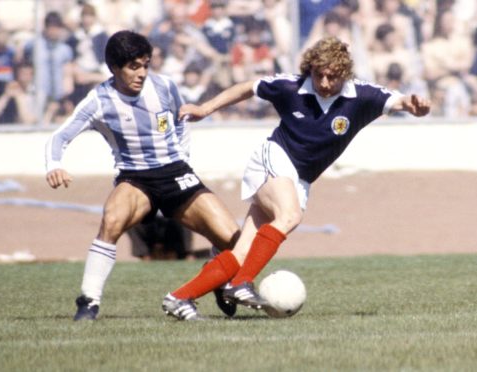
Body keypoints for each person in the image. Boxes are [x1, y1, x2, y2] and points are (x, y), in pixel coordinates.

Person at [163, 36, 430, 320]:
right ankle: (241, 284)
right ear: (310, 70)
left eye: (333, 76)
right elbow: (248, 87)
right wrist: (204, 109)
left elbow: (398, 100)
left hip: (300, 180)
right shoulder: (290, 87)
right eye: (319, 75)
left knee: (241, 254)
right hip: (274, 158)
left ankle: (179, 298)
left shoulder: (362, 96)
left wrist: (413, 105)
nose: (325, 82)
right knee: (289, 216)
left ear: (345, 73)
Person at [45, 30, 240, 321]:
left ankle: (216, 279)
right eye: (133, 67)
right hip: (136, 179)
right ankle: (88, 302)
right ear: (114, 68)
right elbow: (59, 137)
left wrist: (181, 157)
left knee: (233, 239)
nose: (142, 73)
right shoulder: (98, 101)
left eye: (146, 65)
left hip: (175, 172)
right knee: (111, 221)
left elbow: (182, 120)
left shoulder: (164, 86)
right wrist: (54, 165)